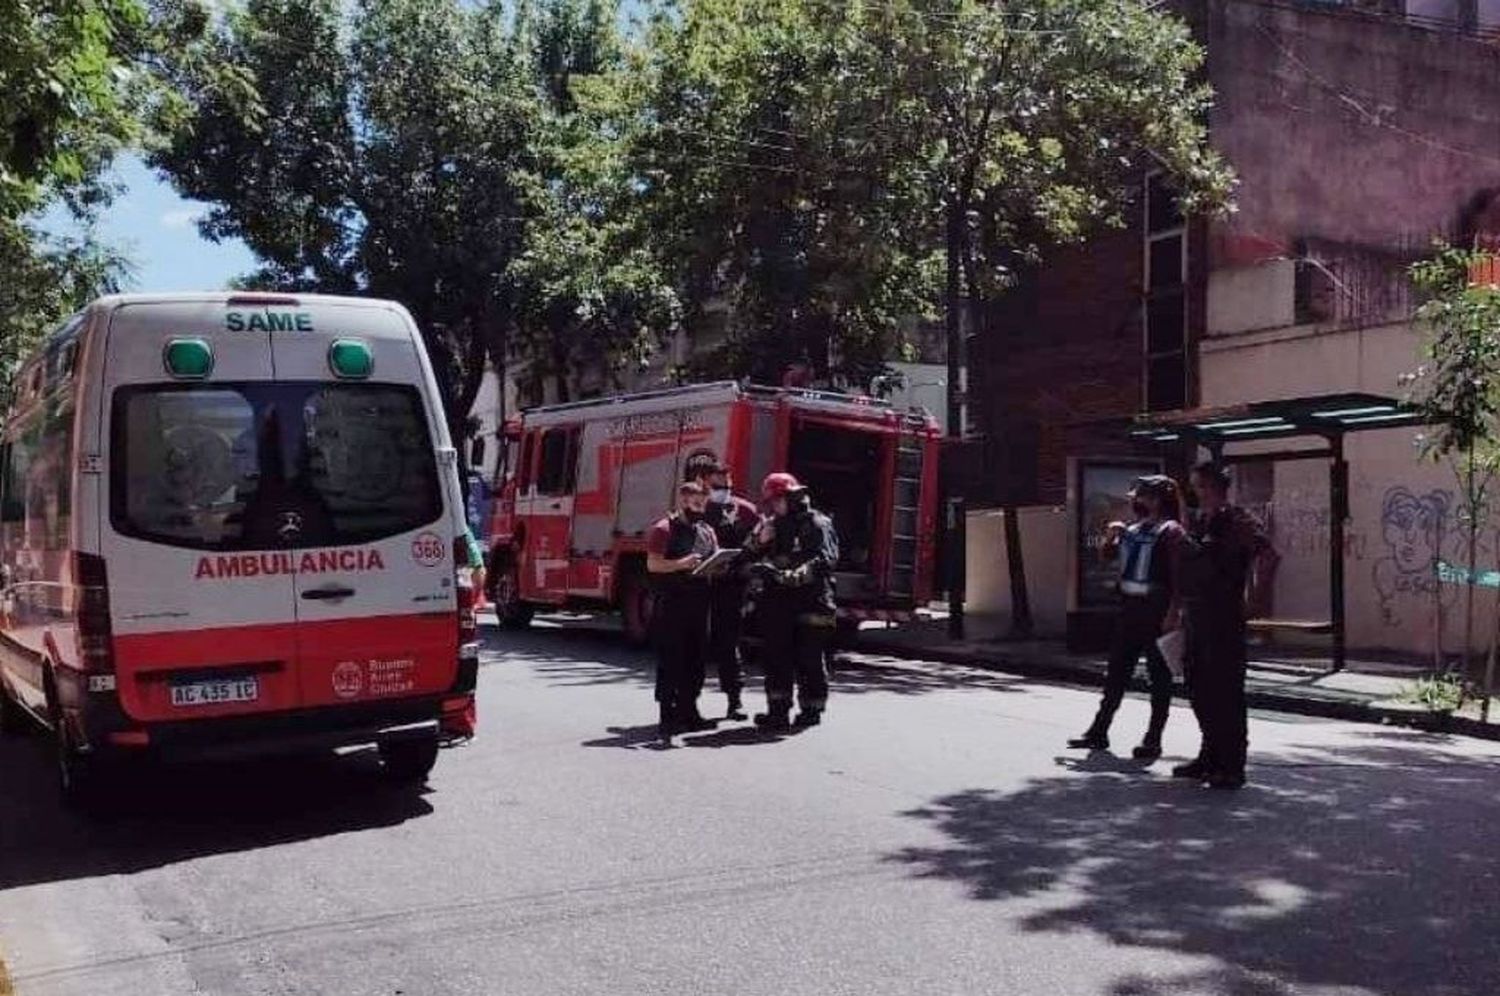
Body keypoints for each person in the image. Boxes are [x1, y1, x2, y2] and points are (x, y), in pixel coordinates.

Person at [1067, 475, 1185, 761]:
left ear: (1157, 499)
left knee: (1159, 677)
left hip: (1156, 609)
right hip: (1130, 607)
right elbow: (1107, 556)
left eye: (1143, 496)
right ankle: (1099, 729)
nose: (1137, 501)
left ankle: (1153, 738)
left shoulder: (1170, 531)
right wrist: (1111, 536)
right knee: (1117, 671)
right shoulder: (1133, 529)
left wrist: (1173, 611)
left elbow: (1179, 576)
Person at [1177, 461, 1275, 789]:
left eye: (1203, 487)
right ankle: (1209, 753)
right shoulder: (1199, 521)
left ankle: (1232, 764)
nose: (1199, 493)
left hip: (1223, 616)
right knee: (1198, 686)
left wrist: (1257, 598)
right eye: (1196, 487)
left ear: (1218, 488)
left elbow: (1268, 555)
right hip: (1196, 615)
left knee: (1226, 691)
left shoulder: (1237, 520)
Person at [750, 472, 840, 730]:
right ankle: (777, 711)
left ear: (792, 497)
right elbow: (748, 552)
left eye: (777, 501)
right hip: (778, 604)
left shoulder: (817, 524)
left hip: (812, 601)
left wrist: (790, 576)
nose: (774, 507)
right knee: (776, 658)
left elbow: (824, 560)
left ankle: (811, 710)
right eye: (771, 503)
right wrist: (759, 541)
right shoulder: (772, 524)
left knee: (809, 658)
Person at [646, 481, 719, 741]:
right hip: (672, 603)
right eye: (696, 502)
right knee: (671, 661)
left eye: (704, 503)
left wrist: (718, 564)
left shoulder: (707, 531)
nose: (701, 507)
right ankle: (667, 716)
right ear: (684, 499)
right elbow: (653, 565)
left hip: (699, 604)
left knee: (696, 661)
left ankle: (690, 712)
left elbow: (713, 556)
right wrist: (682, 564)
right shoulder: (664, 529)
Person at [687, 460, 760, 720]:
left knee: (728, 643)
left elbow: (758, 545)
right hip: (700, 585)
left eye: (727, 485)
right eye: (718, 486)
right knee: (694, 644)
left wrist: (745, 566)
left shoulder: (746, 511)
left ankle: (735, 701)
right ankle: (688, 705)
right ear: (705, 483)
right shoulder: (697, 510)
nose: (724, 490)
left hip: (732, 586)